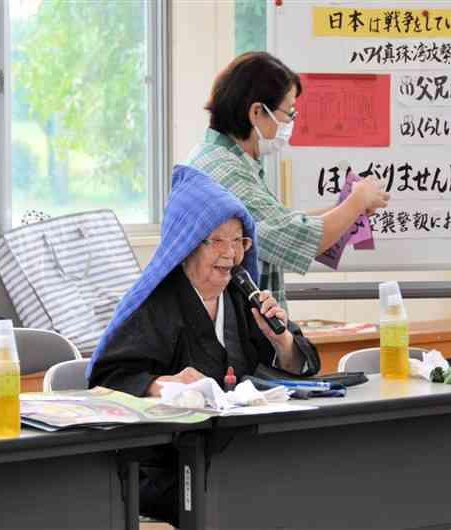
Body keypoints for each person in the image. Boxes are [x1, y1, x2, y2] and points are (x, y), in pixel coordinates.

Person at [87, 165, 321, 526]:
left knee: (301, 484)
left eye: (240, 241)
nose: (232, 254)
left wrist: (282, 340)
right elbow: (105, 380)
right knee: (253, 498)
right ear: (185, 246)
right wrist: (160, 384)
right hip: (164, 467)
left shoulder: (245, 297)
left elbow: (304, 365)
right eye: (218, 241)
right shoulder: (156, 305)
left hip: (241, 453)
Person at [187, 51, 390, 309]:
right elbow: (294, 235)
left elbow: (279, 222)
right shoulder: (225, 172)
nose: (291, 124)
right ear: (257, 112)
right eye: (289, 113)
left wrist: (349, 207)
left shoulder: (222, 158)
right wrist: (358, 199)